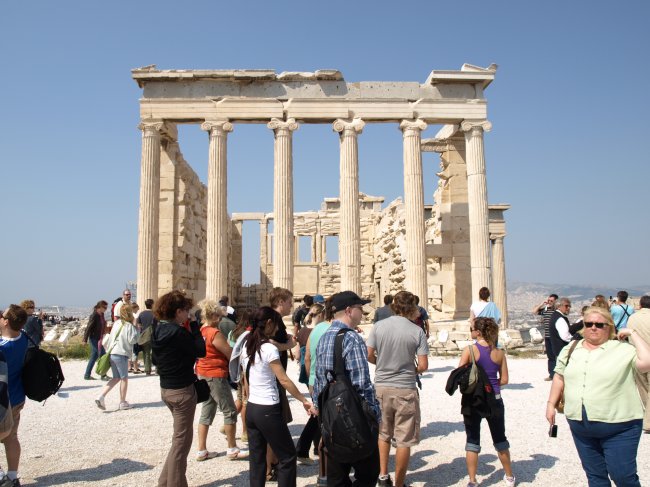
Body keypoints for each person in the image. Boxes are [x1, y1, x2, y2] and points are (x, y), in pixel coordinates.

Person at [546, 307, 650, 486]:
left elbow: (646, 363)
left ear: (609, 327)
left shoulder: (623, 349)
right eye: (589, 324)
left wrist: (633, 333)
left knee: (623, 477)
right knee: (595, 477)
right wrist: (550, 404)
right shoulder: (571, 348)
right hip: (580, 424)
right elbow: (559, 376)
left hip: (620, 426)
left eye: (599, 324)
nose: (593, 327)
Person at [241, 306, 315, 487]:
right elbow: (284, 379)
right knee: (288, 456)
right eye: (276, 324)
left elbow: (246, 378)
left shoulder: (247, 344)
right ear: (268, 323)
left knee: (257, 459)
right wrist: (304, 400)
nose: (277, 328)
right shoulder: (268, 349)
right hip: (268, 408)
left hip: (252, 408)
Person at [313, 291, 381, 486]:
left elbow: (319, 379)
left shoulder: (324, 336)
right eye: (360, 308)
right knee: (368, 472)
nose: (363, 312)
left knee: (337, 477)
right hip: (354, 413)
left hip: (331, 415)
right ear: (349, 310)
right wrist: (375, 415)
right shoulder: (352, 338)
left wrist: (321, 411)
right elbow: (362, 383)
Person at [367, 291, 429, 487]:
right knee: (403, 440)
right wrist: (411, 370)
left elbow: (368, 354)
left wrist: (381, 364)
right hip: (405, 388)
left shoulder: (378, 326)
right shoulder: (417, 331)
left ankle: (383, 476)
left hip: (381, 386)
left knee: (383, 434)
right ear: (412, 307)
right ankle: (399, 484)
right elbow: (423, 365)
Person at [152, 290, 206, 487]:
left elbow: (154, 360)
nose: (188, 314)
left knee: (179, 441)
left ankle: (164, 482)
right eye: (186, 310)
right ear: (178, 312)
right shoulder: (178, 332)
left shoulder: (157, 330)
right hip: (182, 391)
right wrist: (195, 326)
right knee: (182, 443)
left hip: (166, 389)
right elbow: (201, 350)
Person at [459, 317, 515, 487]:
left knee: (472, 439)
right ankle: (509, 477)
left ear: (478, 332)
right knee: (500, 438)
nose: (470, 331)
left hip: (473, 399)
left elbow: (460, 375)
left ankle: (472, 480)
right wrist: (489, 385)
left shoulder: (469, 350)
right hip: (494, 398)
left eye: (472, 329)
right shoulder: (499, 353)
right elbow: (504, 379)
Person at [195, 299, 247, 461]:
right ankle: (232, 449)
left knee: (207, 411)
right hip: (215, 374)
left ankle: (201, 450)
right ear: (212, 316)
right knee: (229, 411)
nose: (220, 319)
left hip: (203, 372)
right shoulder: (214, 333)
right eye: (218, 316)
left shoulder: (201, 331)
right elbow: (229, 353)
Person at [0, 305, 29, 487]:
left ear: (6, 322)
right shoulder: (24, 339)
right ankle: (12, 476)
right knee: (11, 437)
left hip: (2, 399)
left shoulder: (2, 347)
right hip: (17, 396)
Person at [295, 303, 326, 465]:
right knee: (319, 413)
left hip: (311, 377)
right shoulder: (319, 331)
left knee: (318, 412)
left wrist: (309, 378)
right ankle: (303, 448)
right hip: (318, 377)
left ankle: (314, 447)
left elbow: (302, 357)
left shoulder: (303, 331)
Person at [94, 304, 139, 411]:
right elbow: (133, 340)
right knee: (124, 379)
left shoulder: (116, 323)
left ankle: (101, 396)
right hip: (121, 354)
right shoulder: (129, 326)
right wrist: (136, 328)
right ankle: (123, 402)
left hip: (112, 352)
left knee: (116, 378)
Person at [627, 295, 650, 433]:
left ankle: (648, 418)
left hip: (638, 356)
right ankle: (648, 421)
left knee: (643, 389)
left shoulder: (632, 318)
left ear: (640, 305)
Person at [532, 293, 558, 380]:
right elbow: (534, 311)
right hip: (547, 336)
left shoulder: (557, 310)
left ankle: (558, 375)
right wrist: (542, 304)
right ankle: (552, 375)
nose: (549, 302)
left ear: (555, 301)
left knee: (557, 355)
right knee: (550, 356)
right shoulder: (546, 310)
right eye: (549, 300)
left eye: (551, 301)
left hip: (555, 336)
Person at [82, 300, 108, 380]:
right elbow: (88, 327)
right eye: (104, 307)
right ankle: (102, 374)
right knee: (102, 354)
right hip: (93, 338)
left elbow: (102, 325)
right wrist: (84, 339)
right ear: (99, 307)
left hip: (99, 338)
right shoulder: (94, 315)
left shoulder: (102, 315)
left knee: (94, 356)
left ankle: (87, 375)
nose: (105, 309)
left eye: (106, 308)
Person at [548, 298, 572, 378]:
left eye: (569, 306)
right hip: (562, 350)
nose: (568, 308)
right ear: (559, 306)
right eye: (566, 306)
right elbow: (565, 336)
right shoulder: (560, 318)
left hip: (558, 349)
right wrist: (575, 339)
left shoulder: (555, 316)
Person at [136, 298, 156, 375]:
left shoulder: (141, 314)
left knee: (146, 353)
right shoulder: (155, 314)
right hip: (154, 335)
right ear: (152, 305)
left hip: (144, 335)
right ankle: (157, 369)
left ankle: (147, 370)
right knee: (155, 352)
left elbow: (139, 325)